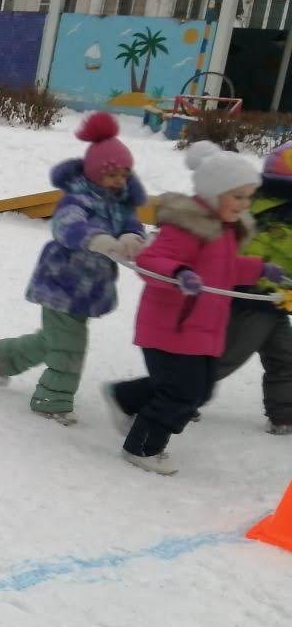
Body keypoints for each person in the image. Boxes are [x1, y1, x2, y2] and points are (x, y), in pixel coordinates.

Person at [102, 144, 278, 475]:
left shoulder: (224, 229)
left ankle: (127, 397)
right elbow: (150, 261)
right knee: (183, 392)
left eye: (247, 197)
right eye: (237, 196)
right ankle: (142, 447)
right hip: (172, 327)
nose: (244, 205)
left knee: (200, 389)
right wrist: (179, 274)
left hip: (203, 328)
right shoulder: (188, 225)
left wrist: (259, 269)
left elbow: (222, 270)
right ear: (214, 193)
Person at [0, 112, 147, 425]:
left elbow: (132, 224)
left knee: (53, 341)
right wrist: (98, 239)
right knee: (71, 348)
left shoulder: (121, 204)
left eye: (124, 174)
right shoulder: (76, 199)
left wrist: (132, 237)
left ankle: (8, 355)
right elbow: (67, 227)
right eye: (112, 174)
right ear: (93, 173)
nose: (119, 181)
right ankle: (52, 401)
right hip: (61, 284)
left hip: (91, 288)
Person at [213, 143, 292, 435]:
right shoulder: (268, 213)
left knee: (284, 358)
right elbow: (259, 249)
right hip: (252, 298)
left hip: (277, 301)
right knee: (226, 357)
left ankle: (284, 414)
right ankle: (175, 396)